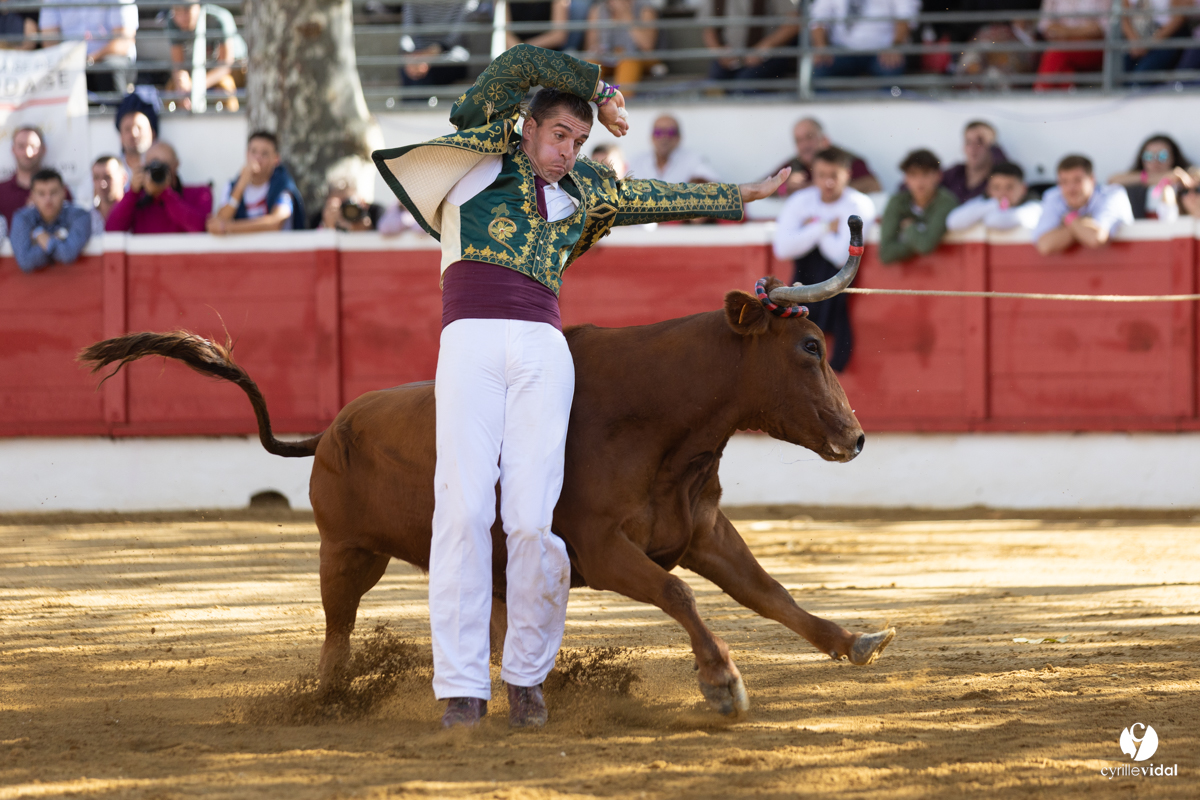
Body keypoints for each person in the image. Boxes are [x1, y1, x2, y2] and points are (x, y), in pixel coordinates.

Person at [372, 42, 785, 730]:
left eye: (579, 139)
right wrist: (601, 90)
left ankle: (527, 675)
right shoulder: (480, 154)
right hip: (469, 340)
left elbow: (658, 196)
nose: (568, 150)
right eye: (559, 134)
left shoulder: (586, 190)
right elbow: (515, 65)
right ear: (527, 128)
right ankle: (463, 689)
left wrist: (742, 195)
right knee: (464, 511)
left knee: (533, 521)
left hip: (542, 347)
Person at [772, 147, 876, 373]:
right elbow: (783, 249)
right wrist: (825, 227)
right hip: (805, 279)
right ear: (814, 174)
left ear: (847, 174)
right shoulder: (801, 200)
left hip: (838, 287)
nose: (828, 183)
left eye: (834, 176)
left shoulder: (859, 204)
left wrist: (811, 226)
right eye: (822, 175)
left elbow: (841, 257)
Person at [208, 131, 306, 235]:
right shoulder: (233, 185)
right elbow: (218, 220)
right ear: (246, 154)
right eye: (253, 152)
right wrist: (241, 186)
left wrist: (227, 227)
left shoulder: (283, 184)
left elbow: (276, 222)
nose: (258, 158)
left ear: (276, 159)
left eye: (265, 153)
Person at [105, 141, 212, 234]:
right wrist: (133, 192)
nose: (157, 172)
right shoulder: (137, 200)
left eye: (164, 166)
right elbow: (112, 230)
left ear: (176, 164)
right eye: (152, 167)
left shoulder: (200, 193)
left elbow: (200, 228)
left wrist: (166, 194)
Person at [1035, 154, 1133, 255]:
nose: (1070, 188)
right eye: (1064, 182)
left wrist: (1070, 219)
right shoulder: (1053, 196)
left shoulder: (1113, 194)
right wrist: (1080, 227)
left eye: (1077, 180)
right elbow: (1045, 245)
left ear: (1092, 179)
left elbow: (1096, 238)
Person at [39, 0, 139, 95]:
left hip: (109, 60)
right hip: (68, 62)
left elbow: (123, 42)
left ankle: (115, 111)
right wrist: (73, 61)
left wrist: (91, 59)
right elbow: (50, 43)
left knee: (108, 69)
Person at [879, 149, 958, 264]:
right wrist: (920, 238)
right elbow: (885, 253)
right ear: (905, 178)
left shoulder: (946, 202)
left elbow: (926, 245)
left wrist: (909, 228)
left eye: (925, 174)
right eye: (913, 174)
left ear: (938, 176)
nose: (919, 181)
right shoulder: (897, 202)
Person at [809, 0, 919, 82]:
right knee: (818, 69)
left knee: (892, 69)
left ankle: (886, 111)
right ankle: (830, 110)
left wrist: (895, 46)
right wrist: (821, 46)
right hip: (842, 51)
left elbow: (905, 15)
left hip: (882, 52)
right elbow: (818, 17)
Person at [165, 3, 246, 111]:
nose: (182, 16)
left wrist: (195, 86)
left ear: (198, 5)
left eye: (187, 9)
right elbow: (178, 66)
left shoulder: (220, 19)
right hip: (198, 71)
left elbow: (225, 67)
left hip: (235, 69)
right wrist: (181, 85)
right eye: (177, 10)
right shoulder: (172, 22)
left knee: (225, 86)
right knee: (171, 88)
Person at [700, 0, 799, 88]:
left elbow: (794, 23)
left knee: (744, 87)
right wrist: (719, 52)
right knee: (713, 87)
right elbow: (708, 29)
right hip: (728, 58)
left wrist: (762, 49)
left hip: (767, 56)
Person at [10, 169, 92, 273]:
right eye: (41, 194)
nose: (48, 200)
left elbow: (68, 255)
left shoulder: (80, 216)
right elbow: (26, 262)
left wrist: (40, 236)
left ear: (64, 192)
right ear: (32, 196)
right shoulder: (22, 218)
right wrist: (58, 240)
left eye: (53, 192)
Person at [774, 117, 880, 196]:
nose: (804, 145)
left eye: (809, 137)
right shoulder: (793, 165)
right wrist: (784, 188)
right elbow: (763, 186)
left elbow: (874, 185)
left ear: (825, 140)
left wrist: (827, 188)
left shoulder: (846, 160)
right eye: (799, 140)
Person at [1107, 134, 1196, 220]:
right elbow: (1113, 180)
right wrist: (1156, 178)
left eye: (1162, 156)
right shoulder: (1136, 180)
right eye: (1149, 156)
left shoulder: (1186, 178)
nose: (1155, 161)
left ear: (1173, 158)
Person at [399, 0, 475, 94]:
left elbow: (456, 36)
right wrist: (409, 56)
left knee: (426, 75)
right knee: (410, 71)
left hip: (450, 55)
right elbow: (407, 33)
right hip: (417, 56)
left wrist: (430, 55)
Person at [585, 0, 660, 91]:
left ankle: (622, 100)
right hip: (607, 58)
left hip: (636, 59)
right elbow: (590, 45)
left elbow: (648, 47)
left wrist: (626, 17)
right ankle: (593, 99)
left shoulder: (645, 9)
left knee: (629, 61)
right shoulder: (597, 10)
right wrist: (597, 48)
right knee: (590, 62)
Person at [1034, 0, 1108, 90]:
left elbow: (1102, 28)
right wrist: (1080, 32)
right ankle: (1066, 95)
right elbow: (1045, 26)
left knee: (1057, 51)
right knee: (1064, 67)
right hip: (1062, 47)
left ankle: (1039, 94)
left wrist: (1066, 33)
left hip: (1092, 48)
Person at [946, 162, 1042, 231]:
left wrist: (994, 205)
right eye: (996, 188)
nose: (1002, 193)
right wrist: (993, 204)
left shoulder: (1035, 205)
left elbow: (995, 221)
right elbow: (953, 222)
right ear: (988, 189)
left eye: (1009, 187)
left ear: (1023, 189)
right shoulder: (984, 201)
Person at [626, 115, 720, 183]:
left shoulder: (694, 159)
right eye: (658, 132)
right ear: (652, 137)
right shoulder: (636, 161)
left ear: (679, 137)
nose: (664, 137)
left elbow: (713, 183)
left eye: (670, 132)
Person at [941, 120, 1010, 203]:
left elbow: (1009, 172)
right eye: (968, 142)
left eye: (980, 141)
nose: (973, 147)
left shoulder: (998, 181)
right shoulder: (954, 173)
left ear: (992, 147)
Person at [1120, 0, 1187, 82]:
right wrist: (1135, 41)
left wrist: (1150, 43)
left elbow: (1178, 18)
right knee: (1121, 73)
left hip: (1164, 41)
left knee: (1141, 77)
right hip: (1136, 43)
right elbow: (1123, 18)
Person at [0, 127, 46, 228]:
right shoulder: (1, 191)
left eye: (33, 146)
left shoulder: (58, 190)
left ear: (43, 149)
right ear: (13, 150)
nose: (28, 153)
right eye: (21, 146)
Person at [312, 176, 383, 232]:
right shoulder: (316, 220)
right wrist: (328, 227)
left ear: (362, 203)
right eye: (339, 206)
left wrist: (370, 229)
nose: (344, 210)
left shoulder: (375, 214)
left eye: (348, 203)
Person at [115, 93, 158, 183]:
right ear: (120, 137)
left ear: (153, 133)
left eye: (139, 128)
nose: (134, 134)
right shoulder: (110, 172)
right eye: (127, 129)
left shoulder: (162, 167)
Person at [506, 0, 571, 51]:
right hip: (516, 57)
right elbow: (505, 32)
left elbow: (559, 35)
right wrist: (519, 50)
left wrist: (525, 49)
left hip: (547, 56)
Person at [90, 155, 126, 236]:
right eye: (96, 177)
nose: (102, 184)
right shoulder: (87, 218)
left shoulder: (135, 214)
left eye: (108, 177)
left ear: (124, 178)